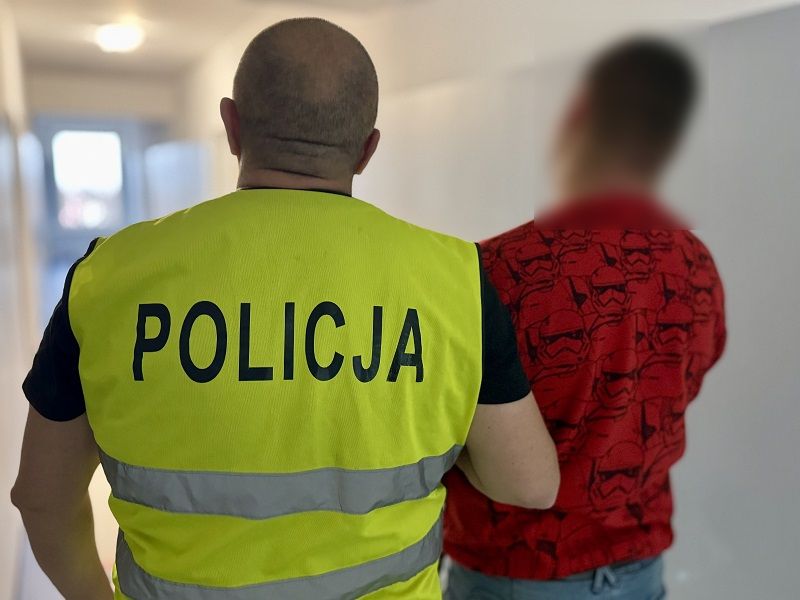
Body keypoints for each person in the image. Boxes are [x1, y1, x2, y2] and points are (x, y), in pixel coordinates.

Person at [11, 18, 559, 600]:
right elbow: (529, 484)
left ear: (232, 126)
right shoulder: (455, 280)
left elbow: (41, 498)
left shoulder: (108, 276)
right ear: (367, 149)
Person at [444, 37, 726, 599]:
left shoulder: (492, 270)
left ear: (575, 119)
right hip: (640, 572)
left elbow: (441, 425)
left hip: (516, 574)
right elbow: (684, 383)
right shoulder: (697, 266)